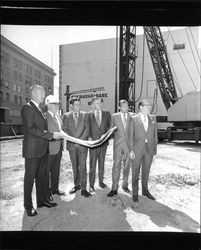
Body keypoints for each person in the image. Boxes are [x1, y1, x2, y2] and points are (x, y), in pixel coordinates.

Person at [21, 85, 62, 217]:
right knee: (29, 178)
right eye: (41, 92)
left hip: (43, 150)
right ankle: (28, 206)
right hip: (32, 151)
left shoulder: (40, 109)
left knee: (41, 177)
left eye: (43, 92)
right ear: (33, 93)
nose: (44, 95)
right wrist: (51, 135)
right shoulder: (27, 108)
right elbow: (31, 129)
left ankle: (41, 200)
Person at [130, 99, 158, 206]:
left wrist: (154, 149)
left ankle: (145, 191)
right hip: (137, 149)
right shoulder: (133, 119)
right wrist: (131, 150)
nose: (149, 107)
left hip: (149, 149)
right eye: (146, 106)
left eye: (149, 106)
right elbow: (130, 136)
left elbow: (155, 135)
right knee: (135, 173)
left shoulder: (153, 118)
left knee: (146, 171)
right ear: (140, 107)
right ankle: (135, 195)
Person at [63, 97, 91, 197]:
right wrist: (73, 141)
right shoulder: (66, 116)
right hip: (71, 146)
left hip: (82, 146)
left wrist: (79, 141)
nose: (78, 106)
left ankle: (84, 188)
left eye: (79, 104)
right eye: (76, 104)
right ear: (71, 106)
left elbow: (87, 130)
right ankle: (76, 185)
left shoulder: (85, 115)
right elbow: (65, 130)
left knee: (82, 167)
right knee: (75, 167)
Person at [107, 99, 134, 197]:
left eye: (127, 106)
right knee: (116, 166)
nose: (126, 108)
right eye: (123, 106)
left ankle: (125, 185)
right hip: (118, 146)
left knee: (127, 166)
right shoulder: (114, 116)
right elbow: (111, 130)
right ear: (119, 107)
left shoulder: (132, 116)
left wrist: (132, 149)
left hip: (128, 146)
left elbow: (133, 132)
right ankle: (114, 188)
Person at [88, 97, 111, 193]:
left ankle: (101, 182)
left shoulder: (107, 114)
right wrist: (89, 137)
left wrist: (106, 135)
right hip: (93, 143)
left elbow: (110, 128)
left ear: (101, 103)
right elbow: (87, 128)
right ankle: (91, 185)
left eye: (99, 103)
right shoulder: (89, 115)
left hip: (103, 143)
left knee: (101, 163)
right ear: (93, 104)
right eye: (95, 103)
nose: (97, 105)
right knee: (92, 165)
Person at [45, 95, 65, 201]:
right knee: (47, 171)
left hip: (59, 148)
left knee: (56, 170)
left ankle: (55, 189)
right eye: (54, 104)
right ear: (48, 105)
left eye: (57, 104)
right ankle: (47, 192)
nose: (57, 106)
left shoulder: (58, 116)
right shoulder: (44, 116)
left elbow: (61, 130)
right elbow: (44, 133)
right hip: (49, 148)